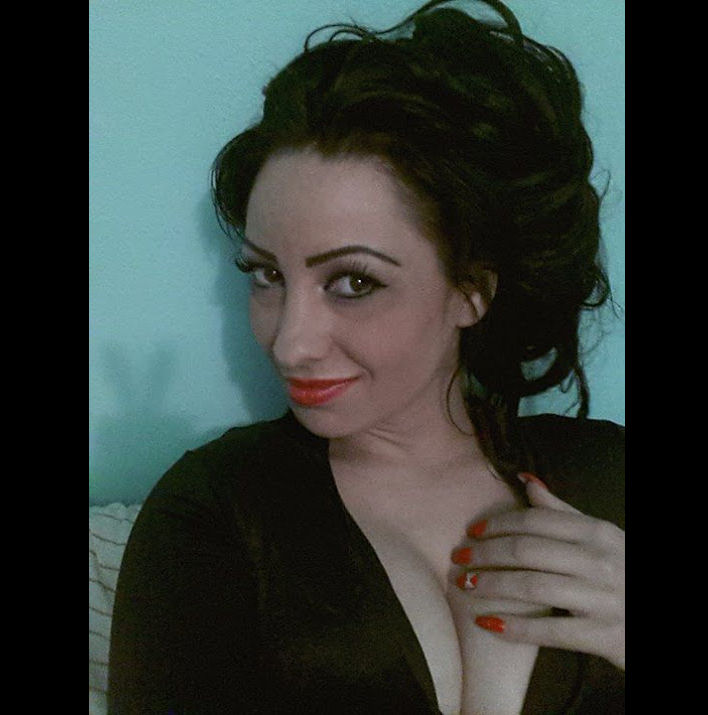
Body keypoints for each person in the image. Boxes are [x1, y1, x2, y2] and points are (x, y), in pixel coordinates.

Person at [108, 0, 624, 712]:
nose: (290, 342)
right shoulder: (217, 515)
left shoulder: (609, 477)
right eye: (267, 274)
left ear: (470, 290)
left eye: (354, 282)